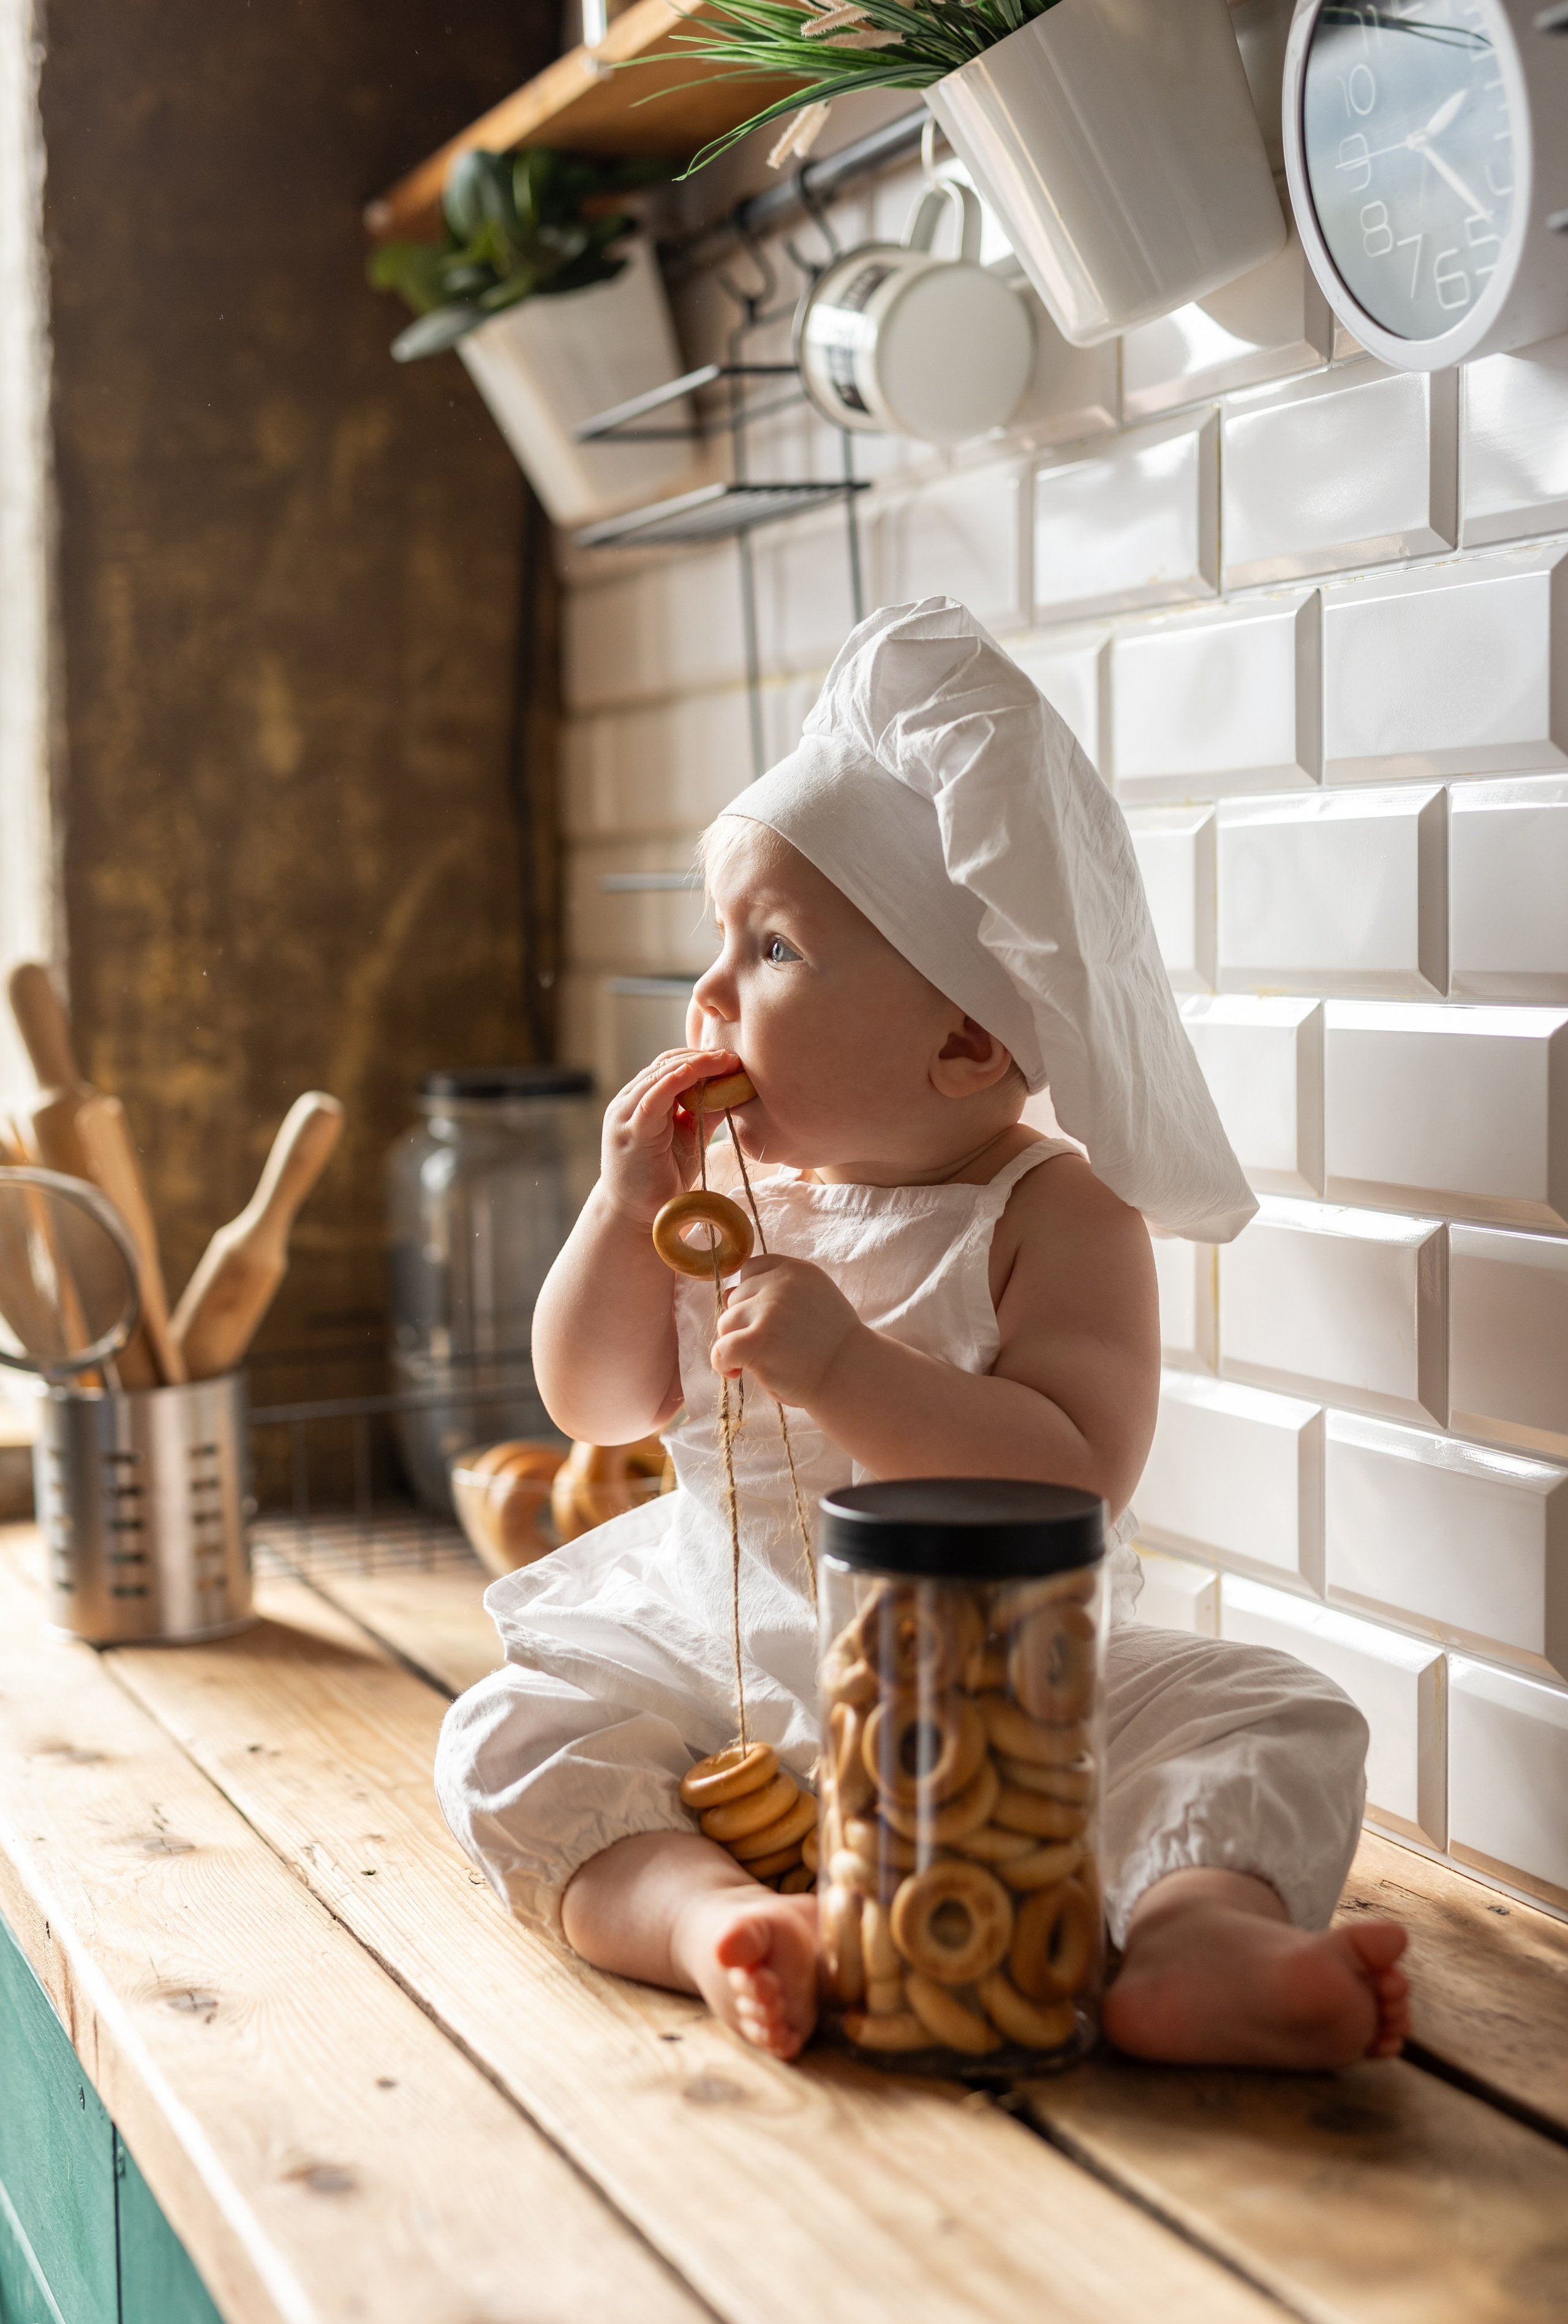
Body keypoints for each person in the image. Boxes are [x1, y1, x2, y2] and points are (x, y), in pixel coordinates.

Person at [436, 598, 1409, 2069]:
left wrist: (845, 1369)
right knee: (507, 1731)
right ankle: (712, 1917)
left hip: (1005, 1690)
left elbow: (1073, 1477)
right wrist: (614, 1207)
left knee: (1269, 1714)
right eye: (720, 941)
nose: (710, 991)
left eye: (771, 947)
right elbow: (592, 1403)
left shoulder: (1051, 1215)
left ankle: (1198, 1941)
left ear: (964, 1041)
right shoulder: (725, 1192)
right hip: (717, 1654)